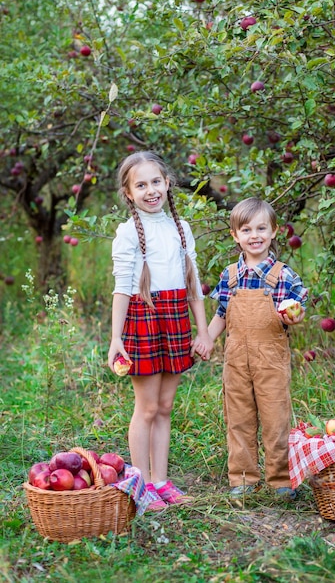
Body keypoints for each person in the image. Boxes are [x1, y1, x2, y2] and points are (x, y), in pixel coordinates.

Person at [107, 151, 213, 511]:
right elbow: (122, 287)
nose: (151, 190)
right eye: (141, 184)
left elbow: (193, 283)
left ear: (168, 184)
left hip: (175, 317)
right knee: (148, 407)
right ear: (129, 192)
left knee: (166, 406)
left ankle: (160, 481)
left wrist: (203, 331)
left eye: (156, 182)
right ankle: (140, 485)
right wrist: (116, 338)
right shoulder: (127, 234)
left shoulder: (181, 229)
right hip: (145, 317)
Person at [208, 197, 308, 500]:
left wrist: (296, 313)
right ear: (235, 235)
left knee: (276, 418)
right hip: (236, 359)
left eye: (261, 228)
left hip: (271, 360)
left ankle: (279, 480)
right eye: (247, 230)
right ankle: (242, 477)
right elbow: (222, 313)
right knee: (238, 418)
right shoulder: (230, 275)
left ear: (274, 230)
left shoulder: (284, 274)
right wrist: (207, 339)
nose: (255, 236)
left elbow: (298, 309)